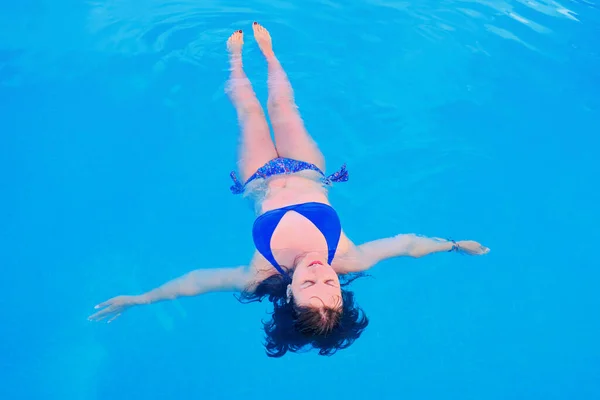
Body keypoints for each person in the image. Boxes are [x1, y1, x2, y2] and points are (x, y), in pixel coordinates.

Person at [88, 22, 490, 357]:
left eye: (308, 287)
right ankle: (269, 54)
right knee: (283, 107)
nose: (319, 275)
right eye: (329, 286)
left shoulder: (260, 273)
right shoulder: (349, 258)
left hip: (258, 177)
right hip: (308, 169)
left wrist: (140, 299)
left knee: (248, 113)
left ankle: (234, 60)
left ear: (288, 294)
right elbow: (405, 244)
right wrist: (453, 244)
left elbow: (194, 283)